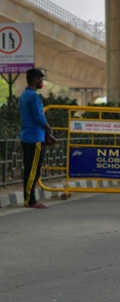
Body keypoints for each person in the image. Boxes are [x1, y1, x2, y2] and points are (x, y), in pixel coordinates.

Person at [19, 67, 53, 209]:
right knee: (33, 170)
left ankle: (29, 198)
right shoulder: (33, 97)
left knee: (30, 169)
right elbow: (38, 116)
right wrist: (48, 127)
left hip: (27, 136)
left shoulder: (24, 95)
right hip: (34, 138)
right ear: (35, 79)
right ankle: (30, 200)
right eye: (40, 79)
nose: (42, 82)